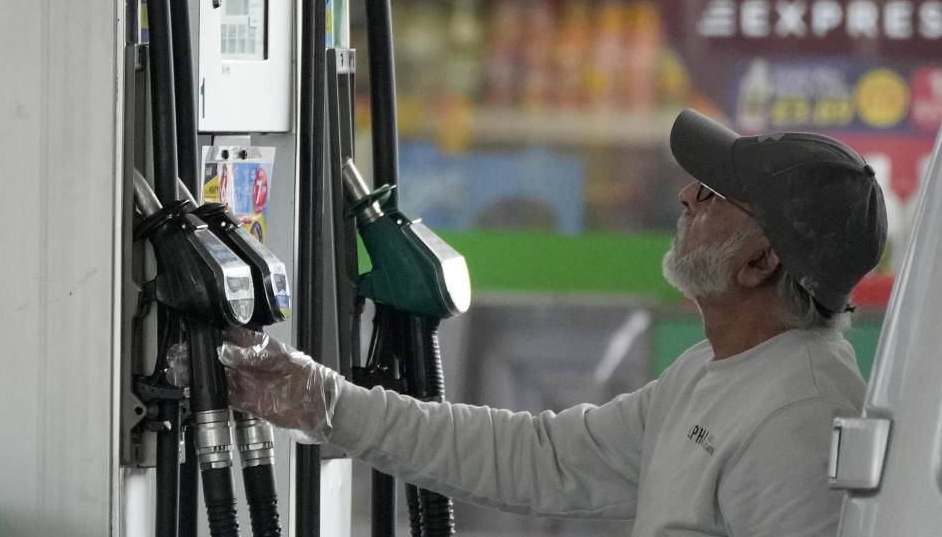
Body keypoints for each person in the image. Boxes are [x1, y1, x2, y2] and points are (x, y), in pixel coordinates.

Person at [218, 109, 887, 535]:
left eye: (712, 196)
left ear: (759, 261)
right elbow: (541, 458)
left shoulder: (802, 419)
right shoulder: (716, 372)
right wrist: (325, 404)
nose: (686, 194)